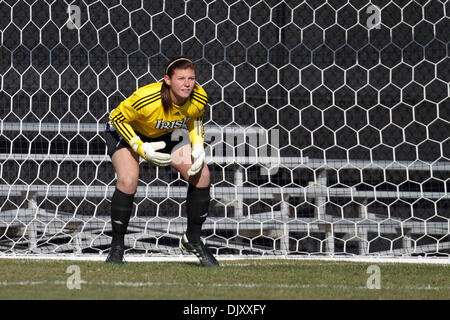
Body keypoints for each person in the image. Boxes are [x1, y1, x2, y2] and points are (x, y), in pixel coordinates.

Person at [104, 57, 219, 267]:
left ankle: (192, 240)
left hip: (164, 134)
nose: (187, 84)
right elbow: (117, 119)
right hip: (126, 133)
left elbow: (196, 118)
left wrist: (197, 146)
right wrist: (141, 147)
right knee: (128, 179)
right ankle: (117, 246)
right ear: (167, 80)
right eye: (181, 78)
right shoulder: (146, 98)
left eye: (191, 78)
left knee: (202, 175)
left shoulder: (199, 96)